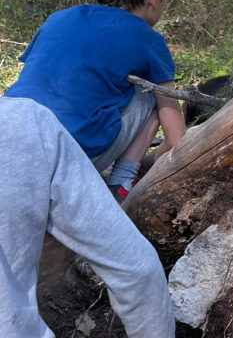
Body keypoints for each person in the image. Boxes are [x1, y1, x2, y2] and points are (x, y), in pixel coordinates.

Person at [6, 0, 186, 203]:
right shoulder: (148, 39)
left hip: (10, 137)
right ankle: (122, 181)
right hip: (71, 157)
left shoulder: (58, 18)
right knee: (153, 96)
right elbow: (176, 138)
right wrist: (158, 162)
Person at [0, 95, 176, 337]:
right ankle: (121, 183)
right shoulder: (25, 120)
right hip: (51, 149)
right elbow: (139, 268)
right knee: (151, 102)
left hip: (43, 149)